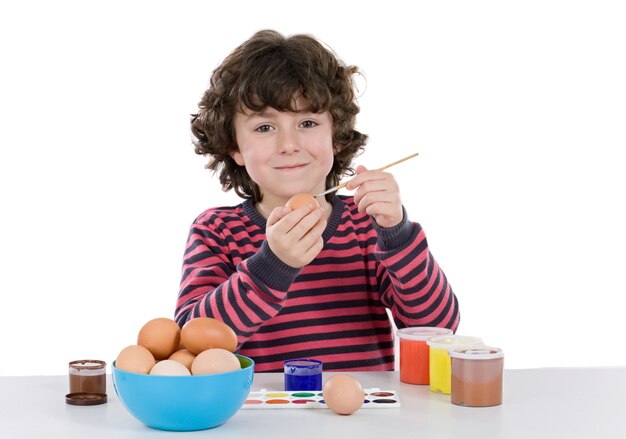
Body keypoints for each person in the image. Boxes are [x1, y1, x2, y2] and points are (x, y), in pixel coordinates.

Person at [175, 29, 459, 372]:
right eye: (265, 127)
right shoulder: (217, 231)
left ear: (336, 136)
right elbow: (192, 341)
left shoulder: (367, 224)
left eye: (307, 122)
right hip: (262, 422)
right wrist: (273, 266)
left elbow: (437, 328)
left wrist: (397, 233)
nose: (289, 144)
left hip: (362, 420)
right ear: (234, 146)